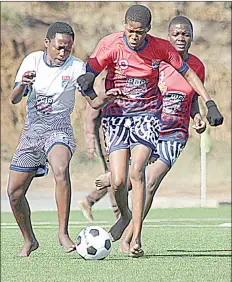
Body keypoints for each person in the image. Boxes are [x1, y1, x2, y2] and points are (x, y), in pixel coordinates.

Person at [77, 5, 223, 258]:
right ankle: (125, 216)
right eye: (130, 31)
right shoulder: (111, 44)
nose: (134, 36)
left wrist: (209, 103)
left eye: (140, 32)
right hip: (117, 117)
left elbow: (189, 77)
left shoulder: (161, 50)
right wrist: (91, 88)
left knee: (139, 173)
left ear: (148, 31)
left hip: (148, 117)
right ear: (124, 26)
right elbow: (89, 74)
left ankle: (136, 238)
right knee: (120, 180)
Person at [7, 21, 122, 257]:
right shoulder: (33, 61)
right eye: (59, 47)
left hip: (59, 126)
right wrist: (23, 85)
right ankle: (29, 240)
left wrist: (105, 97)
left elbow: (93, 101)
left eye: (68, 48)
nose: (63, 53)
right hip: (32, 129)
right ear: (47, 44)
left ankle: (63, 233)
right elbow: (14, 98)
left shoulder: (77, 68)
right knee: (14, 193)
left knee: (60, 168)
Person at [78, 103, 119, 222]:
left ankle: (89, 200)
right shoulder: (102, 87)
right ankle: (119, 214)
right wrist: (90, 142)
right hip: (108, 136)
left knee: (117, 175)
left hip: (119, 134)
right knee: (113, 174)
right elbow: (91, 115)